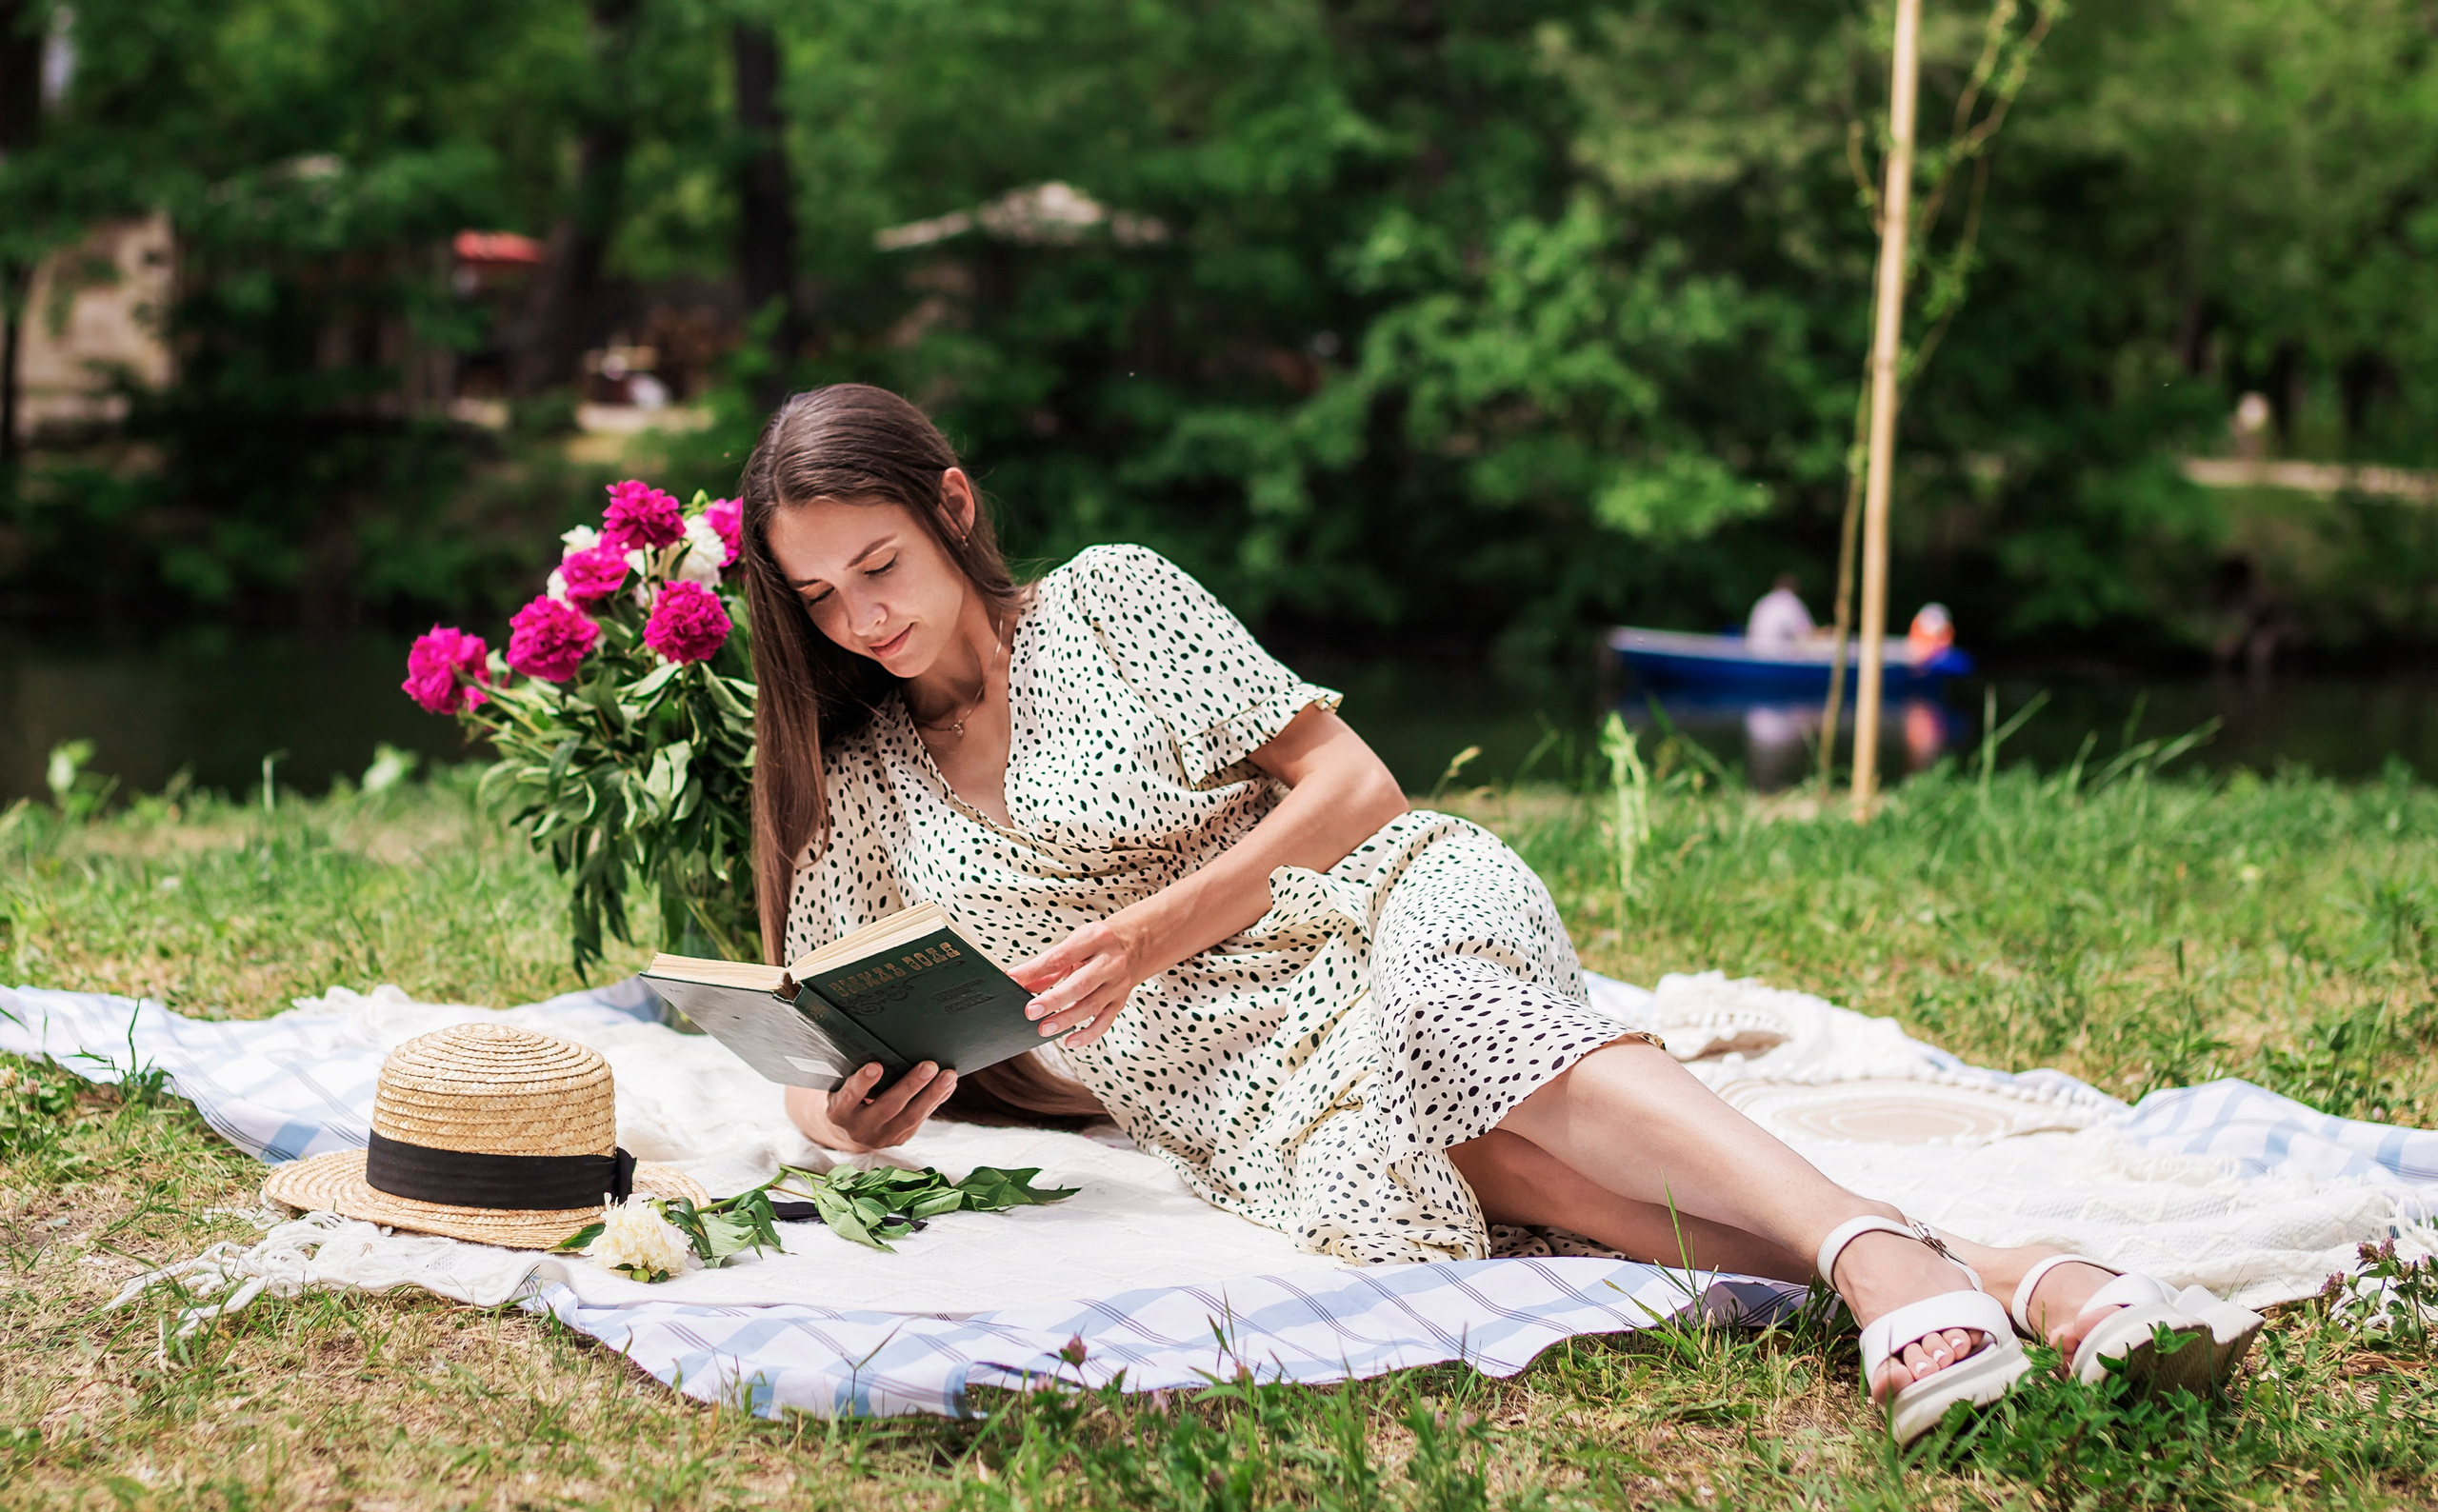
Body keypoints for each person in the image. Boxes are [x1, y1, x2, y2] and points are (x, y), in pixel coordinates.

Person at [736, 384, 2238, 1444]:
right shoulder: (864, 786)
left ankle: (1876, 1258)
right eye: (819, 595)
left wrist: (1148, 933)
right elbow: (820, 1036)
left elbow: (1354, 782)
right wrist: (846, 1121)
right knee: (1493, 1168)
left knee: (1457, 1023)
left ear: (952, 508)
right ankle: (2016, 1269)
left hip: (1374, 905)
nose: (864, 616)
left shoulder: (1112, 603)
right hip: (1242, 1075)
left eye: (881, 565)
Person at [1746, 573, 1817, 649]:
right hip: (1776, 657)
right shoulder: (1790, 601)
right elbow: (1806, 636)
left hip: (1753, 654)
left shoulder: (1763, 601)